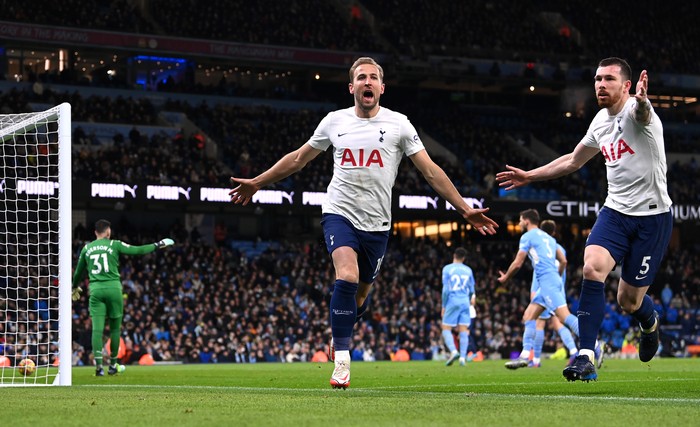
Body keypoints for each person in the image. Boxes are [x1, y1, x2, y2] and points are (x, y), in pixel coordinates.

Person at [229, 56, 498, 389]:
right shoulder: (334, 122)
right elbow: (299, 158)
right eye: (361, 78)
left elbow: (430, 170)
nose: (367, 82)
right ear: (352, 87)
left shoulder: (400, 124)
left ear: (382, 87)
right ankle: (342, 360)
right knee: (347, 275)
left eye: (373, 78)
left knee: (359, 295)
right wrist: (258, 182)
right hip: (339, 213)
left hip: (378, 225)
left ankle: (342, 329)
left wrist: (463, 208)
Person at [496, 57, 672, 382]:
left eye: (608, 79)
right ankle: (586, 356)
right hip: (616, 212)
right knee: (591, 266)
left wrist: (645, 102)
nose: (601, 85)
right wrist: (530, 176)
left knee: (628, 300)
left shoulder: (638, 111)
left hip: (652, 218)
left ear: (627, 86)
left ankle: (650, 323)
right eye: (597, 79)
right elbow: (574, 160)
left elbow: (644, 115)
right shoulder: (600, 121)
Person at [72, 219, 174, 376]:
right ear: (108, 232)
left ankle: (99, 368)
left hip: (96, 290)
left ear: (95, 233)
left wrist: (74, 286)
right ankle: (113, 365)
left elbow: (79, 272)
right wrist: (158, 244)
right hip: (113, 289)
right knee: (114, 329)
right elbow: (138, 250)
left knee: (97, 330)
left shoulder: (87, 248)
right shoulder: (114, 244)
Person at [497, 209, 591, 370]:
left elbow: (518, 262)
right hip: (553, 281)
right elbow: (563, 260)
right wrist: (557, 278)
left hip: (546, 283)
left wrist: (505, 278)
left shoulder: (528, 237)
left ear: (526, 221)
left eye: (520, 220)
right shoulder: (550, 240)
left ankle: (593, 344)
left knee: (563, 317)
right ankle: (525, 356)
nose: (519, 223)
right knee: (529, 316)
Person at [441, 247, 476, 367]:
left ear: (454, 255)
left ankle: (453, 351)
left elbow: (445, 290)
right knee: (464, 330)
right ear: (464, 258)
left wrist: (444, 305)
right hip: (465, 302)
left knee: (446, 327)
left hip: (452, 300)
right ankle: (462, 357)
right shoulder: (468, 270)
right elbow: (471, 290)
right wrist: (468, 298)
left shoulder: (447, 269)